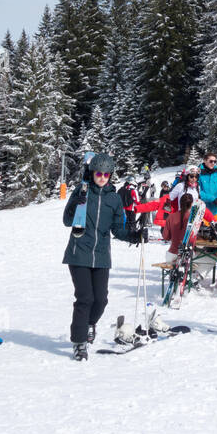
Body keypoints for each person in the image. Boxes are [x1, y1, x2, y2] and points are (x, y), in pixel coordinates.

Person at [62, 152, 145, 358]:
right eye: (99, 173)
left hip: (101, 256)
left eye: (106, 174)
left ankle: (90, 323)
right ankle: (79, 342)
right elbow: (66, 220)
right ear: (92, 173)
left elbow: (118, 228)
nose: (102, 177)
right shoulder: (82, 191)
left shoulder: (114, 199)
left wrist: (134, 236)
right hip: (78, 253)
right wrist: (74, 203)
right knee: (85, 298)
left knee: (101, 299)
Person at [197, 152, 217, 218]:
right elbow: (198, 191)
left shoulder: (216, 172)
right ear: (205, 161)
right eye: (211, 161)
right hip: (204, 211)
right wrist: (213, 199)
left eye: (215, 161)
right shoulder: (198, 174)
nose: (213, 163)